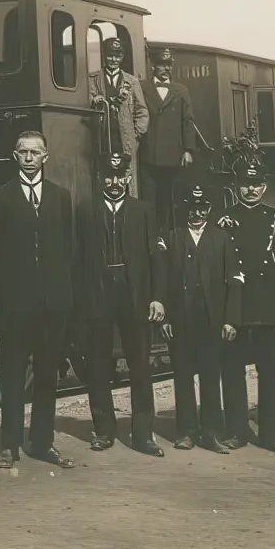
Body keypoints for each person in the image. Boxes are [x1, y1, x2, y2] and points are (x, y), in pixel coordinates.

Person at [0, 131, 78, 470]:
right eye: (22, 152)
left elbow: (68, 251)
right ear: (14, 156)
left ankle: (42, 442)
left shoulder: (60, 197)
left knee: (47, 375)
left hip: (52, 304)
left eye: (35, 152)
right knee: (11, 375)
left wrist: (65, 298)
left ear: (45, 157)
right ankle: (9, 445)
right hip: (15, 305)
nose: (28, 158)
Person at [77, 150, 168, 455]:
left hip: (135, 295)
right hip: (97, 295)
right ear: (100, 178)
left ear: (128, 177)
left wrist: (156, 297)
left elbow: (156, 258)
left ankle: (143, 434)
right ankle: (104, 430)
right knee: (98, 364)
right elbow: (76, 257)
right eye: (109, 177)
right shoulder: (86, 210)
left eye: (120, 176)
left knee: (140, 364)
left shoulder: (143, 210)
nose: (115, 182)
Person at [217, 154, 275, 452]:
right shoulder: (223, 217)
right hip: (236, 307)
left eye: (256, 185)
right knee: (231, 371)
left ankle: (271, 433)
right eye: (245, 185)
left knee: (270, 371)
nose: (251, 190)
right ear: (236, 186)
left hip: (268, 306)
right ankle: (237, 431)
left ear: (264, 188)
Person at [161, 181, 243, 453]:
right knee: (182, 376)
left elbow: (233, 281)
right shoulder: (174, 237)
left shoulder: (221, 239)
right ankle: (186, 431)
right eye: (192, 208)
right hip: (182, 319)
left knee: (211, 376)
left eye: (202, 208)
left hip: (212, 319)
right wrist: (165, 319)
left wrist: (230, 319)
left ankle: (210, 432)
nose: (197, 214)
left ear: (209, 208)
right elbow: (164, 281)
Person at [140, 47, 197, 229]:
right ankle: (151, 234)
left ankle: (171, 235)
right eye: (162, 65)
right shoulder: (142, 87)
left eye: (169, 65)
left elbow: (188, 121)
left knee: (171, 197)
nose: (166, 69)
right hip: (148, 153)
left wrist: (188, 150)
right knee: (149, 196)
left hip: (174, 154)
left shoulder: (181, 90)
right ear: (153, 67)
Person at [88, 37, 149, 192]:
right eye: (110, 55)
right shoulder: (92, 80)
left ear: (122, 58)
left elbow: (142, 111)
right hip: (102, 138)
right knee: (103, 176)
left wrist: (136, 135)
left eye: (117, 55)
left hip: (125, 140)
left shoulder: (132, 82)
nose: (113, 59)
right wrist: (93, 100)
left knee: (127, 177)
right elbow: (85, 103)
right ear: (104, 56)